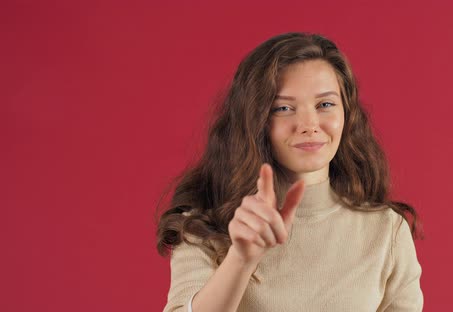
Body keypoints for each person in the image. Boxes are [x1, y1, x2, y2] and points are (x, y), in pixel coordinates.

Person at [156, 32, 424, 312]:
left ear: (347, 113)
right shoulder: (204, 224)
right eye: (283, 108)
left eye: (325, 104)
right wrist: (241, 259)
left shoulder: (385, 230)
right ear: (255, 120)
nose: (308, 124)